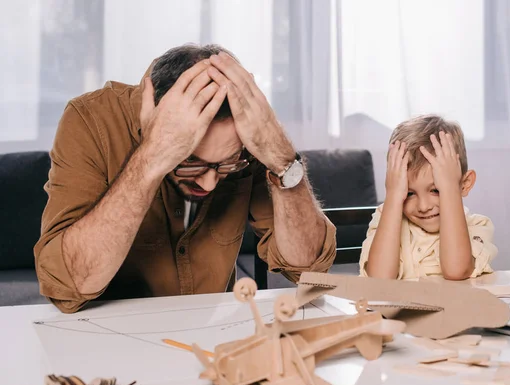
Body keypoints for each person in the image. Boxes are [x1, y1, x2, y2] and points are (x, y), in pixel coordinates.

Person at [34, 44, 336, 313]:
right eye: (190, 163)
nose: (209, 184)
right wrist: (152, 157)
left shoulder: (247, 137)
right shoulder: (90, 119)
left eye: (227, 165)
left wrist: (283, 160)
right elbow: (67, 288)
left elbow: (307, 269)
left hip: (206, 340)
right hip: (101, 339)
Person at [359, 114, 497, 280]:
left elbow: (456, 271)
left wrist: (449, 189)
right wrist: (394, 196)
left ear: (464, 184)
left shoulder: (477, 226)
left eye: (436, 190)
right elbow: (379, 279)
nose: (423, 206)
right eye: (409, 193)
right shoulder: (386, 217)